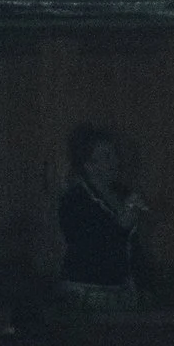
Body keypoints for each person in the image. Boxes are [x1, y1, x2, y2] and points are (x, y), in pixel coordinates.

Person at [55, 124, 145, 302]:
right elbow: (88, 246)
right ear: (89, 165)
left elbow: (131, 247)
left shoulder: (122, 194)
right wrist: (122, 226)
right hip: (85, 291)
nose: (115, 162)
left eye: (115, 155)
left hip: (121, 289)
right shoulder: (74, 199)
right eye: (106, 157)